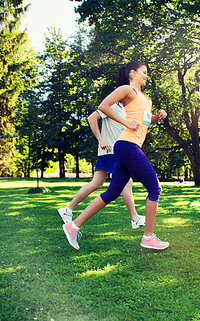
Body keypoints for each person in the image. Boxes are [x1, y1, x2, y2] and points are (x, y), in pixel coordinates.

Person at [62, 61, 169, 250]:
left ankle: (73, 225)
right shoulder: (128, 90)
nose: (146, 76)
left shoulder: (145, 98)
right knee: (155, 188)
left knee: (111, 192)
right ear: (132, 73)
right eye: (144, 72)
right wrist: (126, 123)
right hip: (127, 145)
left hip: (128, 146)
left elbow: (145, 122)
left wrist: (156, 117)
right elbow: (103, 106)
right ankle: (148, 237)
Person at [57, 102, 145, 229]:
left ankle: (67, 210)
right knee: (127, 181)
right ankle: (135, 218)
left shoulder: (127, 110)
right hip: (111, 150)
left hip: (109, 151)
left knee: (96, 183)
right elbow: (91, 118)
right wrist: (100, 139)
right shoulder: (114, 106)